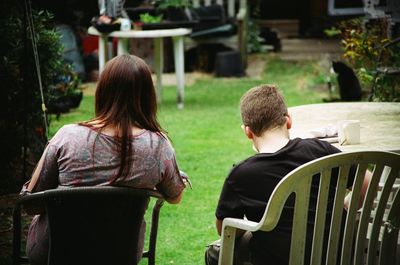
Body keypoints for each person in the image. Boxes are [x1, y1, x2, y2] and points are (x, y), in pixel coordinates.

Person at [22, 54, 187, 265]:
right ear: (147, 96)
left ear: (103, 91)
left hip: (56, 253)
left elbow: (31, 203)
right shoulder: (158, 146)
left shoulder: (68, 136)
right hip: (120, 254)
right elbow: (175, 196)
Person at [205, 84, 371, 265]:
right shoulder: (320, 150)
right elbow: (367, 183)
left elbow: (225, 230)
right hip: (335, 256)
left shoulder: (241, 175)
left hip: (278, 259)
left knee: (216, 251)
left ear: (248, 132)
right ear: (288, 120)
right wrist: (345, 205)